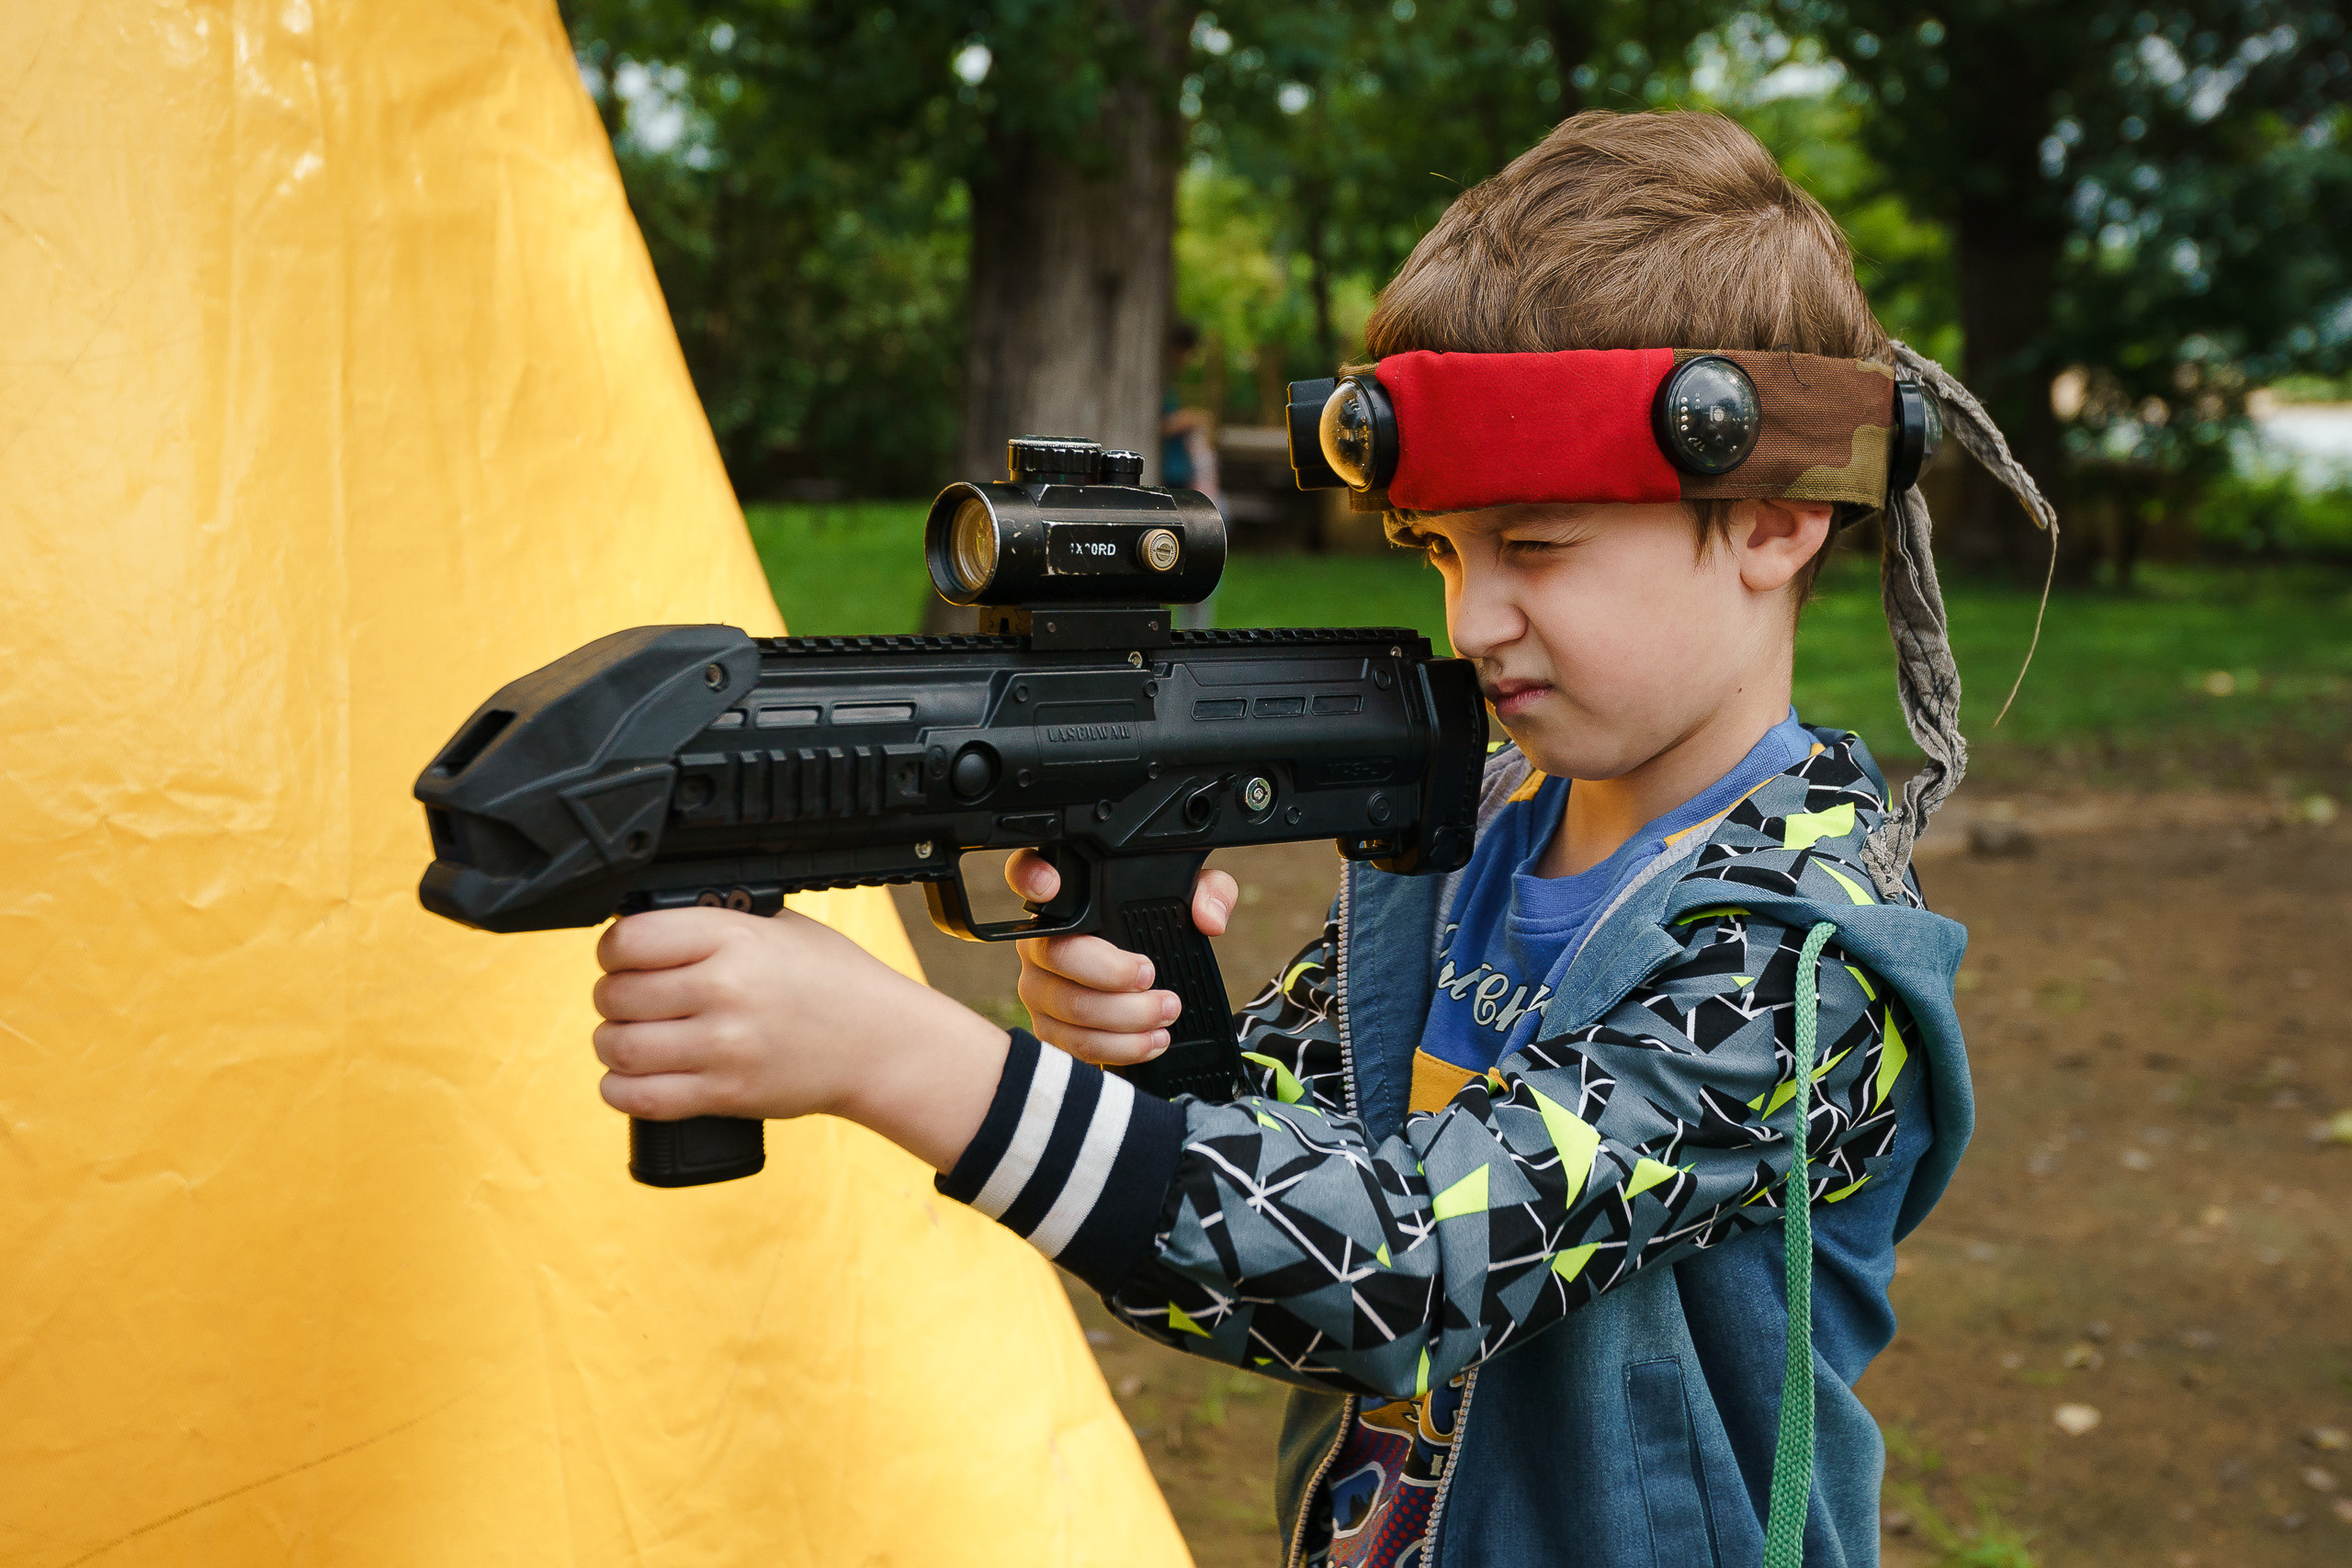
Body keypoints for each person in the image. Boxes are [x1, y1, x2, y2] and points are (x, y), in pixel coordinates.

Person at [585, 110, 2052, 1566]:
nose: (1471, 622)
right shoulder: (1475, 840)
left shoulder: (1803, 967)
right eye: (1440, 551)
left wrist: (899, 1055)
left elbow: (1405, 1276)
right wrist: (1142, 1046)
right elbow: (1271, 1201)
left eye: (1534, 545)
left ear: (1776, 520)